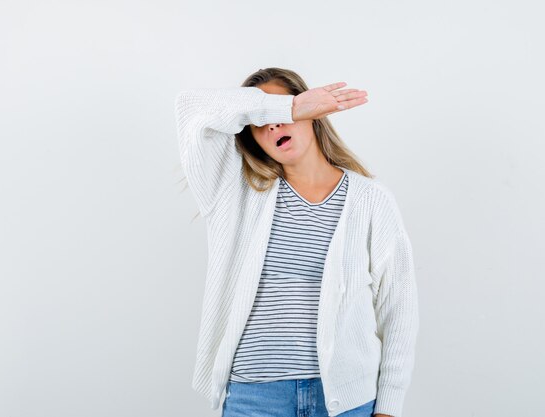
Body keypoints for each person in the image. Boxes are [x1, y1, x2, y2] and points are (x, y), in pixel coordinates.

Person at [174, 67, 419, 417]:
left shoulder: (371, 199)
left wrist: (389, 407)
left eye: (282, 109)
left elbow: (399, 308)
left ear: (315, 118)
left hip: (346, 401)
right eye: (261, 119)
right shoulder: (233, 193)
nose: (272, 125)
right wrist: (287, 109)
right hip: (254, 399)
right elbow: (191, 109)